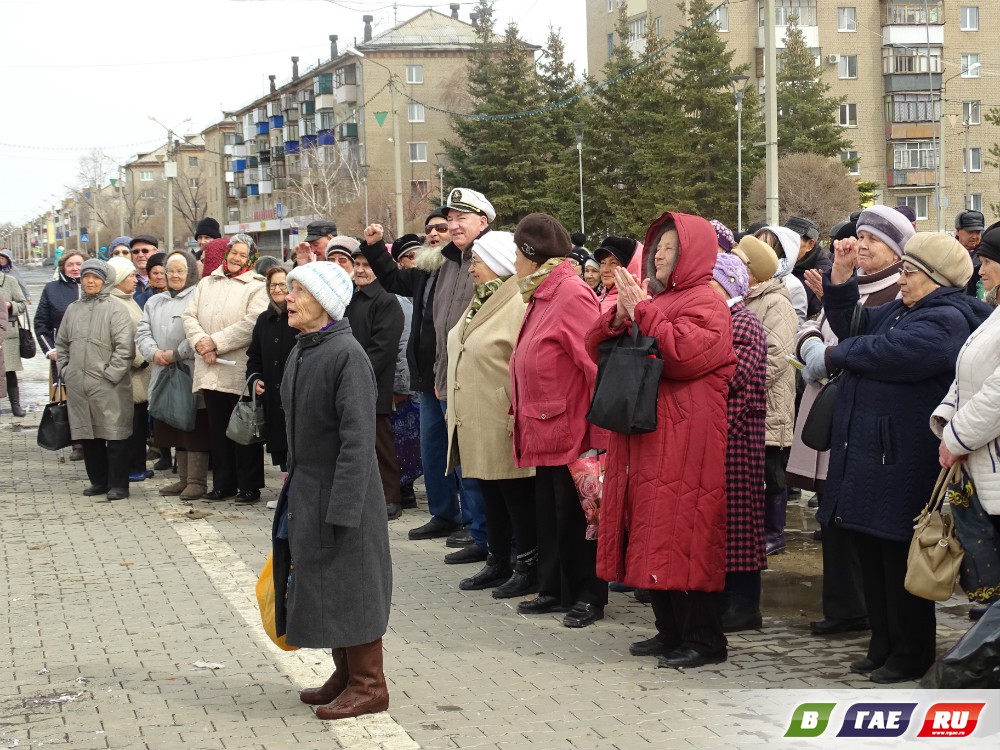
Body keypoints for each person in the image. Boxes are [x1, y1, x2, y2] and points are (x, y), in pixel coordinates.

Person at [819, 231, 990, 684]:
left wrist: (837, 355)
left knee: (901, 562)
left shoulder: (946, 318)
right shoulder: (904, 308)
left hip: (902, 460)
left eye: (909, 272)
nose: (902, 280)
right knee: (872, 554)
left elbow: (889, 353)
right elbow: (855, 326)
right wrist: (840, 280)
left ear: (934, 278)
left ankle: (911, 652)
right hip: (873, 458)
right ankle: (882, 644)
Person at [586, 212, 736, 664]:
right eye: (658, 249)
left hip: (689, 438)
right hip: (649, 433)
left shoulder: (707, 302)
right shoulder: (656, 297)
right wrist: (619, 313)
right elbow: (596, 342)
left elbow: (685, 356)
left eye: (671, 248)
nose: (661, 256)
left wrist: (643, 311)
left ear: (694, 254)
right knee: (652, 529)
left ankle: (706, 640)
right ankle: (669, 630)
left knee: (686, 531)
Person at [274, 261, 391, 721]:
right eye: (288, 289)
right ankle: (345, 676)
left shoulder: (346, 355)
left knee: (354, 587)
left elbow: (358, 442)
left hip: (346, 497)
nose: (288, 297)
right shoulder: (305, 349)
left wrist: (341, 508)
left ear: (324, 301)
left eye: (298, 291)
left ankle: (370, 686)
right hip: (309, 489)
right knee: (326, 586)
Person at [791, 205, 911, 636]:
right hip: (837, 406)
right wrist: (813, 352)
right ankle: (844, 607)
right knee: (834, 513)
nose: (861, 245)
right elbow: (814, 327)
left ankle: (867, 615)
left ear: (898, 250)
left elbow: (858, 342)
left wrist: (829, 355)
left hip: (872, 418)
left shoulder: (901, 293)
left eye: (873, 240)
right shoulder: (851, 284)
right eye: (860, 237)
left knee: (863, 520)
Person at [511, 213, 607, 628]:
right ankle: (554, 589)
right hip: (545, 425)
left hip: (572, 429)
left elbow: (594, 367)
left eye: (518, 253)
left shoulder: (569, 293)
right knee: (550, 516)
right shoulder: (540, 292)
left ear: (533, 256)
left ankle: (588, 595)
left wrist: (600, 435)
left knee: (577, 518)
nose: (514, 261)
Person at [358, 208, 462, 546]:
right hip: (426, 379)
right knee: (432, 452)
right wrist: (374, 247)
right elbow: (390, 279)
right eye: (429, 229)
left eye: (441, 229)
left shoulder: (465, 269)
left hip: (455, 378)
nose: (433, 234)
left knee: (459, 455)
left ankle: (472, 522)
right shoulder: (425, 272)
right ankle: (443, 514)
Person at [446, 231, 536, 598]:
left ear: (498, 264)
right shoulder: (482, 299)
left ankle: (526, 564)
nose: (471, 269)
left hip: (502, 415)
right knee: (489, 491)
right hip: (475, 415)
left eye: (477, 262)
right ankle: (497, 560)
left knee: (515, 494)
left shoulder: (516, 301)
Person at [933, 221, 1000, 620]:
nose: (980, 269)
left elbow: (996, 395)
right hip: (983, 465)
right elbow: (968, 372)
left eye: (988, 260)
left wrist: (955, 439)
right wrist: (946, 418)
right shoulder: (995, 310)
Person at [182, 233, 268, 503]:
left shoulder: (257, 285)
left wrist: (215, 343)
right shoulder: (207, 282)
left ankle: (248, 486)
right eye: (234, 252)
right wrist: (200, 344)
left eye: (243, 255)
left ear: (251, 258)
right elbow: (189, 316)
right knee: (218, 431)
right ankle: (223, 485)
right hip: (209, 368)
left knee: (244, 429)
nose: (236, 258)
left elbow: (253, 323)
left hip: (238, 368)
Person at [710, 252, 768, 634]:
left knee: (740, 527)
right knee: (720, 527)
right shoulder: (721, 321)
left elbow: (730, 384)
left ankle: (745, 607)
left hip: (737, 442)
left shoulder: (743, 324)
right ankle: (725, 602)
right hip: (719, 438)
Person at [56, 259, 135, 501]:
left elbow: (125, 348)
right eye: (86, 276)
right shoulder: (73, 309)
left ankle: (119, 485)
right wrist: (65, 370)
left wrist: (110, 375)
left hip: (109, 385)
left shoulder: (116, 309)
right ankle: (98, 482)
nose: (90, 281)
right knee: (88, 435)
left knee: (115, 435)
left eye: (96, 277)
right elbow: (62, 344)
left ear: (106, 281)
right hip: (79, 384)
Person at [135, 250, 210, 500]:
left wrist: (176, 353)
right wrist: (153, 353)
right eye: (170, 271)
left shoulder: (199, 297)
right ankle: (182, 480)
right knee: (174, 426)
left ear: (190, 272)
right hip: (162, 372)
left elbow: (201, 332)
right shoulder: (155, 301)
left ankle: (197, 482)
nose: (174, 275)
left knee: (194, 427)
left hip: (190, 371)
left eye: (180, 270)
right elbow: (142, 331)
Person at [739, 234, 797, 556]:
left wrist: (746, 382)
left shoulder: (775, 302)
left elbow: (779, 355)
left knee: (772, 471)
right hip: (751, 402)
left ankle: (775, 532)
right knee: (753, 472)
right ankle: (757, 528)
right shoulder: (748, 298)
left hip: (770, 401)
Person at [344, 237, 405, 520]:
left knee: (380, 444)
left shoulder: (386, 301)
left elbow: (383, 349)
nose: (360, 269)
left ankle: (391, 498)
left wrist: (356, 373)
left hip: (374, 384)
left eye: (367, 265)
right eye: (357, 264)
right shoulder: (351, 297)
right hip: (348, 380)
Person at [246, 266, 297, 489]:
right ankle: (286, 492)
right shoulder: (263, 320)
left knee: (296, 442)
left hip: (295, 393)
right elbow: (253, 356)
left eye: (282, 284)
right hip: (272, 397)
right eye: (272, 285)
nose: (277, 289)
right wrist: (255, 379)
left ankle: (296, 492)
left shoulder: (299, 316)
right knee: (279, 445)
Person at [107, 256, 153, 484]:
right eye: (131, 276)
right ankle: (132, 467)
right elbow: (121, 339)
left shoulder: (127, 299)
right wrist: (140, 360)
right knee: (131, 426)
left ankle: (139, 465)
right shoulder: (114, 303)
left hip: (140, 377)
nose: (136, 280)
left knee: (139, 424)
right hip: (130, 374)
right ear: (117, 279)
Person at [34, 250, 85, 457]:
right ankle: (77, 442)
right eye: (70, 264)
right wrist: (50, 351)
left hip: (92, 355)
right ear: (63, 267)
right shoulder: (51, 289)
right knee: (70, 400)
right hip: (64, 356)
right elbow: (41, 324)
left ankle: (97, 440)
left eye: (79, 264)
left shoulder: (96, 286)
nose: (75, 268)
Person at [754, 226, 808, 324]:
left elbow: (796, 328)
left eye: (765, 248)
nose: (757, 252)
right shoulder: (748, 277)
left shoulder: (793, 287)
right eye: (756, 246)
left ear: (779, 252)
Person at [786, 215, 831, 318]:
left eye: (793, 241)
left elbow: (815, 309)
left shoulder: (823, 271)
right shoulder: (780, 262)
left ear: (810, 245)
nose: (786, 245)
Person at [0, 258, 28, 417]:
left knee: (9, 371)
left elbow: (22, 305)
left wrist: (10, 305)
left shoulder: (9, 281)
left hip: (7, 333)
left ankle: (15, 405)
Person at [595, 236, 640, 313]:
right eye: (603, 263)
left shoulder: (631, 306)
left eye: (613, 263)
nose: (605, 270)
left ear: (629, 267)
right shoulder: (599, 295)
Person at [955, 209, 986, 298]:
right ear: (958, 231)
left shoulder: (986, 256)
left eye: (978, 232)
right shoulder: (949, 253)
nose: (974, 236)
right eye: (970, 232)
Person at [128, 235, 158, 301]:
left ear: (155, 253)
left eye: (145, 251)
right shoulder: (126, 280)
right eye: (135, 252)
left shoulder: (166, 279)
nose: (140, 255)